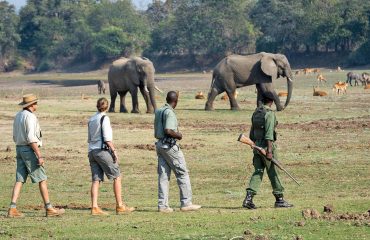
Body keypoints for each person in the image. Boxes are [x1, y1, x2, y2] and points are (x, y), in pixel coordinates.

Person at [8, 94, 65, 217]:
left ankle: (12, 208)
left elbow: (14, 136)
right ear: (31, 105)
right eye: (35, 103)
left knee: (20, 179)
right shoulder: (30, 117)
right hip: (29, 150)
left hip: (19, 149)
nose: (37, 105)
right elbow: (31, 138)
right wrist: (39, 155)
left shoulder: (18, 116)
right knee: (42, 178)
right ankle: (49, 208)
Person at [154, 91, 201, 213]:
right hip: (169, 146)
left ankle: (162, 205)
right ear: (176, 101)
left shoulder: (159, 111)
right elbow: (168, 130)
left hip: (160, 145)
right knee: (182, 172)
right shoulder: (169, 112)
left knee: (163, 176)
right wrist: (179, 135)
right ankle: (186, 203)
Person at [242, 96, 293, 209]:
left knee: (258, 171)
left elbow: (252, 132)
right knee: (273, 172)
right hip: (266, 147)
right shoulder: (269, 114)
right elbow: (269, 134)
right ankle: (279, 199)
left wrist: (254, 144)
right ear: (271, 102)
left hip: (257, 146)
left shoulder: (256, 113)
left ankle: (248, 199)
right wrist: (269, 151)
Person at [87, 97, 135, 215]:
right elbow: (108, 139)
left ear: (97, 106)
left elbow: (89, 138)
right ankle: (120, 205)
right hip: (102, 151)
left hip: (91, 151)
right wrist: (114, 151)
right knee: (117, 176)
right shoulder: (105, 118)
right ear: (107, 107)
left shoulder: (92, 118)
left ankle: (94, 207)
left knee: (96, 179)